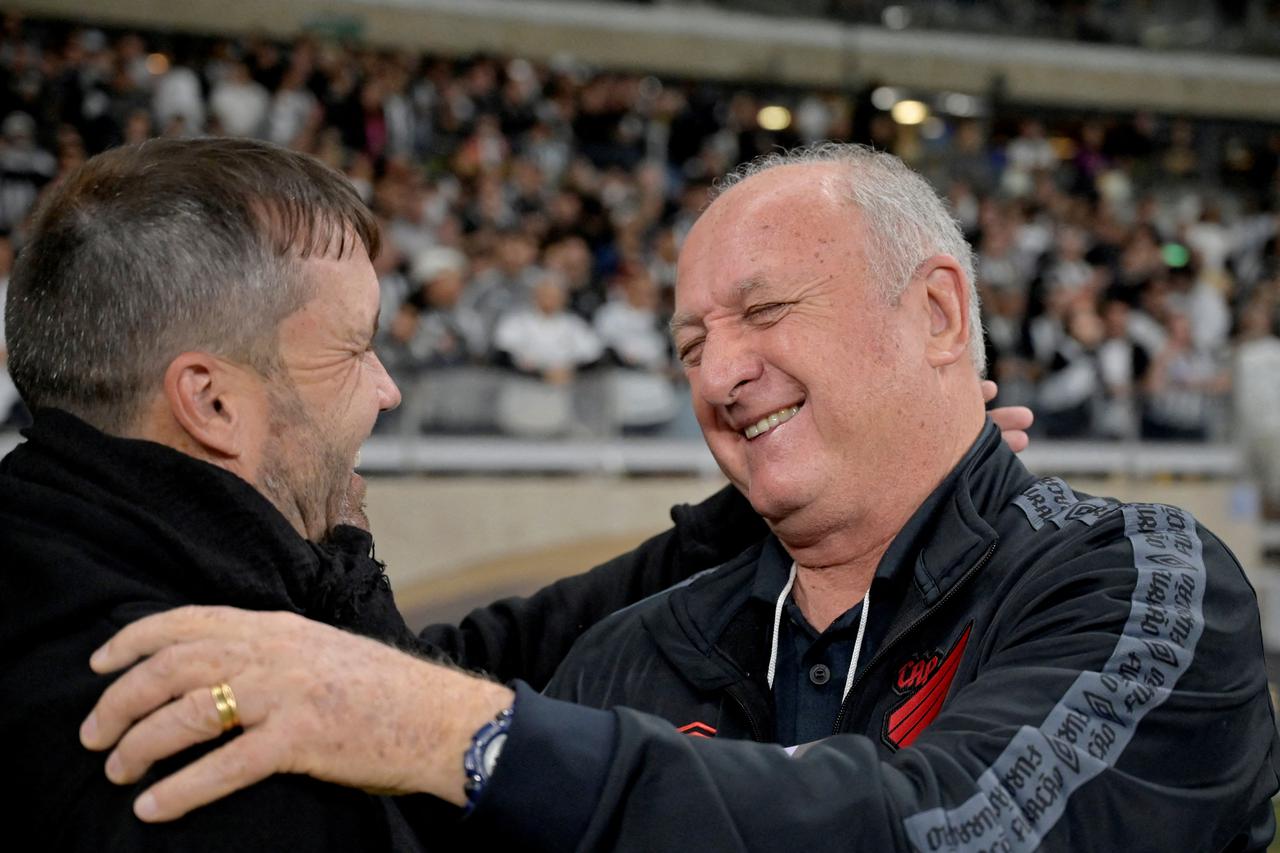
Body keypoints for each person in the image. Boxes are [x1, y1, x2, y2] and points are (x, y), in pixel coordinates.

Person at [80, 144, 1277, 850]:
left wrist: (469, 736)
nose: (714, 371)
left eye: (761, 313)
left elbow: (945, 826)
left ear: (937, 315)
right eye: (687, 340)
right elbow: (428, 704)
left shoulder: (1142, 582)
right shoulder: (638, 643)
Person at [0, 136, 793, 851]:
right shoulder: (197, 740)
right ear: (211, 403)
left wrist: (759, 502)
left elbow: (429, 671)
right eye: (355, 348)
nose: (387, 389)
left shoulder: (128, 565)